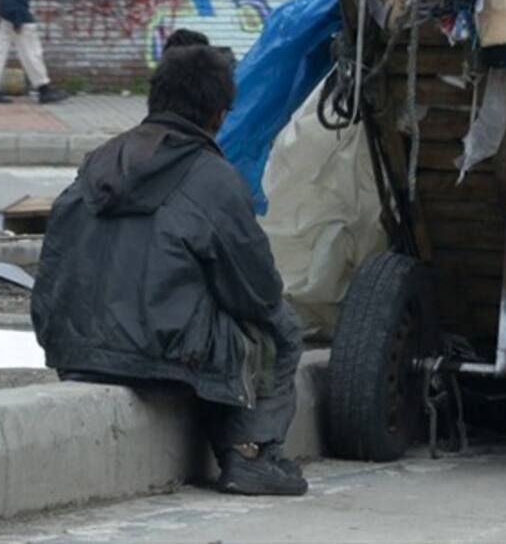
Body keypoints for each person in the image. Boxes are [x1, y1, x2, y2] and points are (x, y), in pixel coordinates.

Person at [31, 45, 306, 496]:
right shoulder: (213, 177)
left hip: (73, 345)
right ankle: (250, 454)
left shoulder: (97, 161)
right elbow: (257, 294)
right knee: (282, 328)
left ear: (153, 101)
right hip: (157, 353)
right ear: (219, 115)